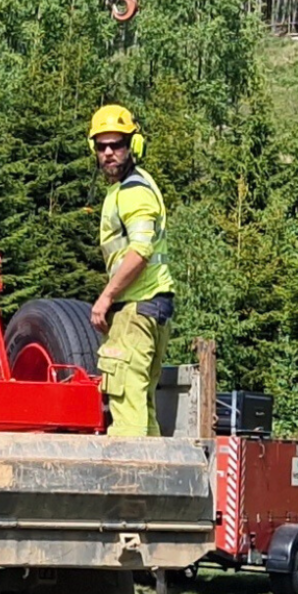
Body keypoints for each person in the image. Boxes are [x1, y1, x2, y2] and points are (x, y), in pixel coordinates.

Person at [85, 105, 175, 436]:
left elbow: (140, 252)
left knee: (127, 407)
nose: (109, 153)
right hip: (149, 304)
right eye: (101, 146)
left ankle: (129, 485)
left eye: (117, 144)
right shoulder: (130, 188)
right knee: (142, 405)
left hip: (136, 306)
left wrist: (106, 298)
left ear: (133, 146)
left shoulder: (133, 191)